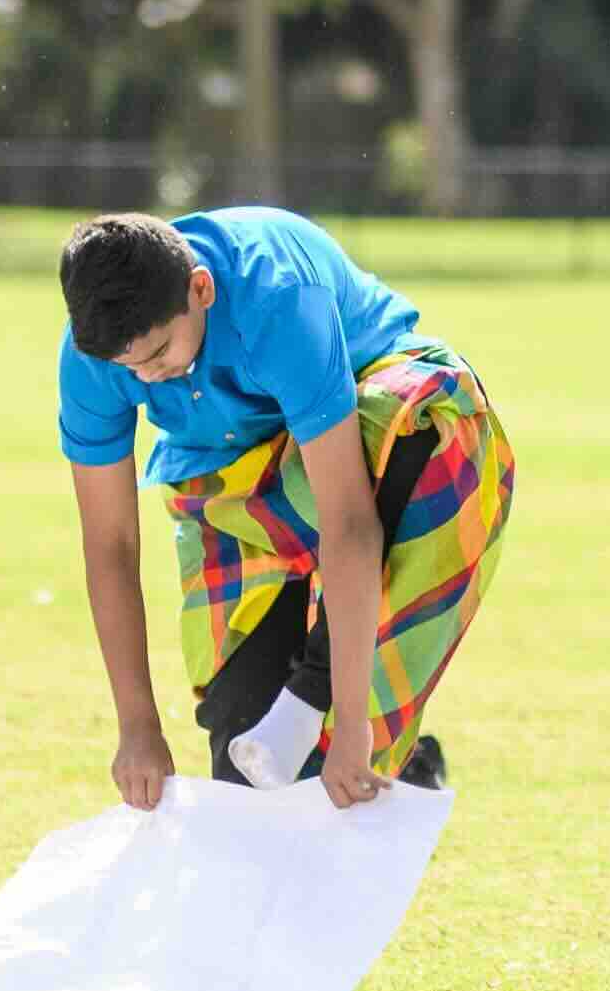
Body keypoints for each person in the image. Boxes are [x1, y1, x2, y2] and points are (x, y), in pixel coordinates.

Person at [56, 209, 516, 810]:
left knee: (421, 417)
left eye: (160, 352)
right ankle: (413, 767)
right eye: (129, 368)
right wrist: (138, 724)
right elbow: (111, 546)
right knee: (249, 773)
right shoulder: (94, 357)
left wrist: (348, 720)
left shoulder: (278, 302)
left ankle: (323, 703)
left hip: (371, 437)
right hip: (238, 478)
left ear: (201, 289)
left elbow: (348, 520)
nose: (147, 377)